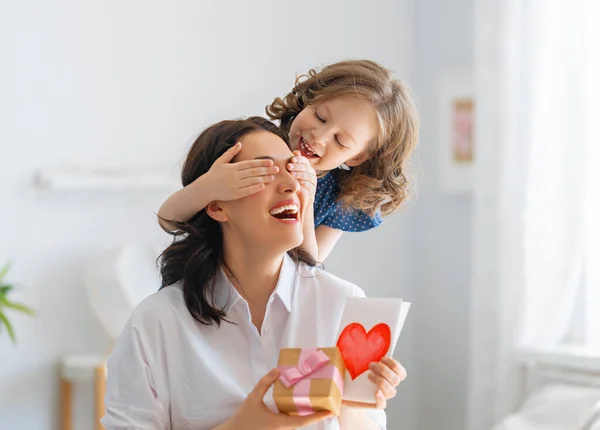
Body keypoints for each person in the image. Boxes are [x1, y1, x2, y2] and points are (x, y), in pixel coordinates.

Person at [102, 117, 406, 430]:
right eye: (265, 171)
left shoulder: (345, 304)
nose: (290, 185)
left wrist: (353, 405)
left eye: (293, 169)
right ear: (217, 206)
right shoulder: (156, 323)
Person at [157, 60, 419, 261]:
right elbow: (168, 220)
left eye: (340, 141)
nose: (319, 137)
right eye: (320, 117)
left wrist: (305, 199)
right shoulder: (254, 145)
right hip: (200, 283)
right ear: (309, 99)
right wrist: (209, 186)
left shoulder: (341, 200)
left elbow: (308, 268)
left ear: (358, 156)